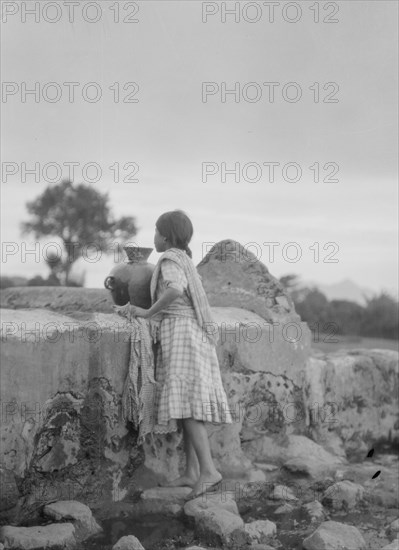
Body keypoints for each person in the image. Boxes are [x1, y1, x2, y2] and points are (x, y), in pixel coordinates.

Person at [125, 209, 234, 501]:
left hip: (182, 333)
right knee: (190, 406)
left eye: (157, 232)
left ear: (167, 235)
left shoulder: (171, 259)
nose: (154, 237)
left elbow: (174, 289)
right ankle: (192, 472)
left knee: (189, 408)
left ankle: (209, 472)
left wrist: (148, 312)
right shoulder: (186, 259)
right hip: (192, 333)